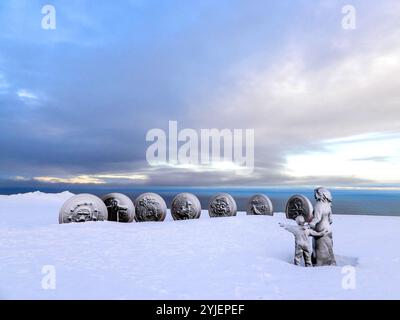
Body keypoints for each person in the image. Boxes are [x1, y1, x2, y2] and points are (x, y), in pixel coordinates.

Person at [309, 187, 336, 266]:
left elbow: (317, 218)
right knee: (329, 247)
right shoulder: (328, 205)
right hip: (328, 229)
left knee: (319, 249)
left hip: (320, 230)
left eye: (316, 194)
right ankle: (330, 262)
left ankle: (319, 265)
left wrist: (311, 224)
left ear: (320, 194)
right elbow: (330, 219)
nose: (315, 196)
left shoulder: (319, 205)